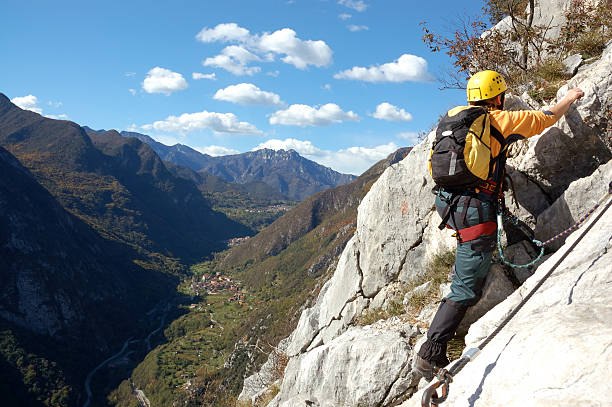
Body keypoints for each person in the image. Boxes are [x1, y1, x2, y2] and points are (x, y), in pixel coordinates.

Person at [414, 70, 584, 380]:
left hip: (449, 203)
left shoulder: (453, 120)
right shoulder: (498, 121)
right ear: (499, 97)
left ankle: (478, 256)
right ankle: (431, 353)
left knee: (474, 251)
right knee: (465, 286)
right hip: (474, 212)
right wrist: (569, 98)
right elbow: (545, 117)